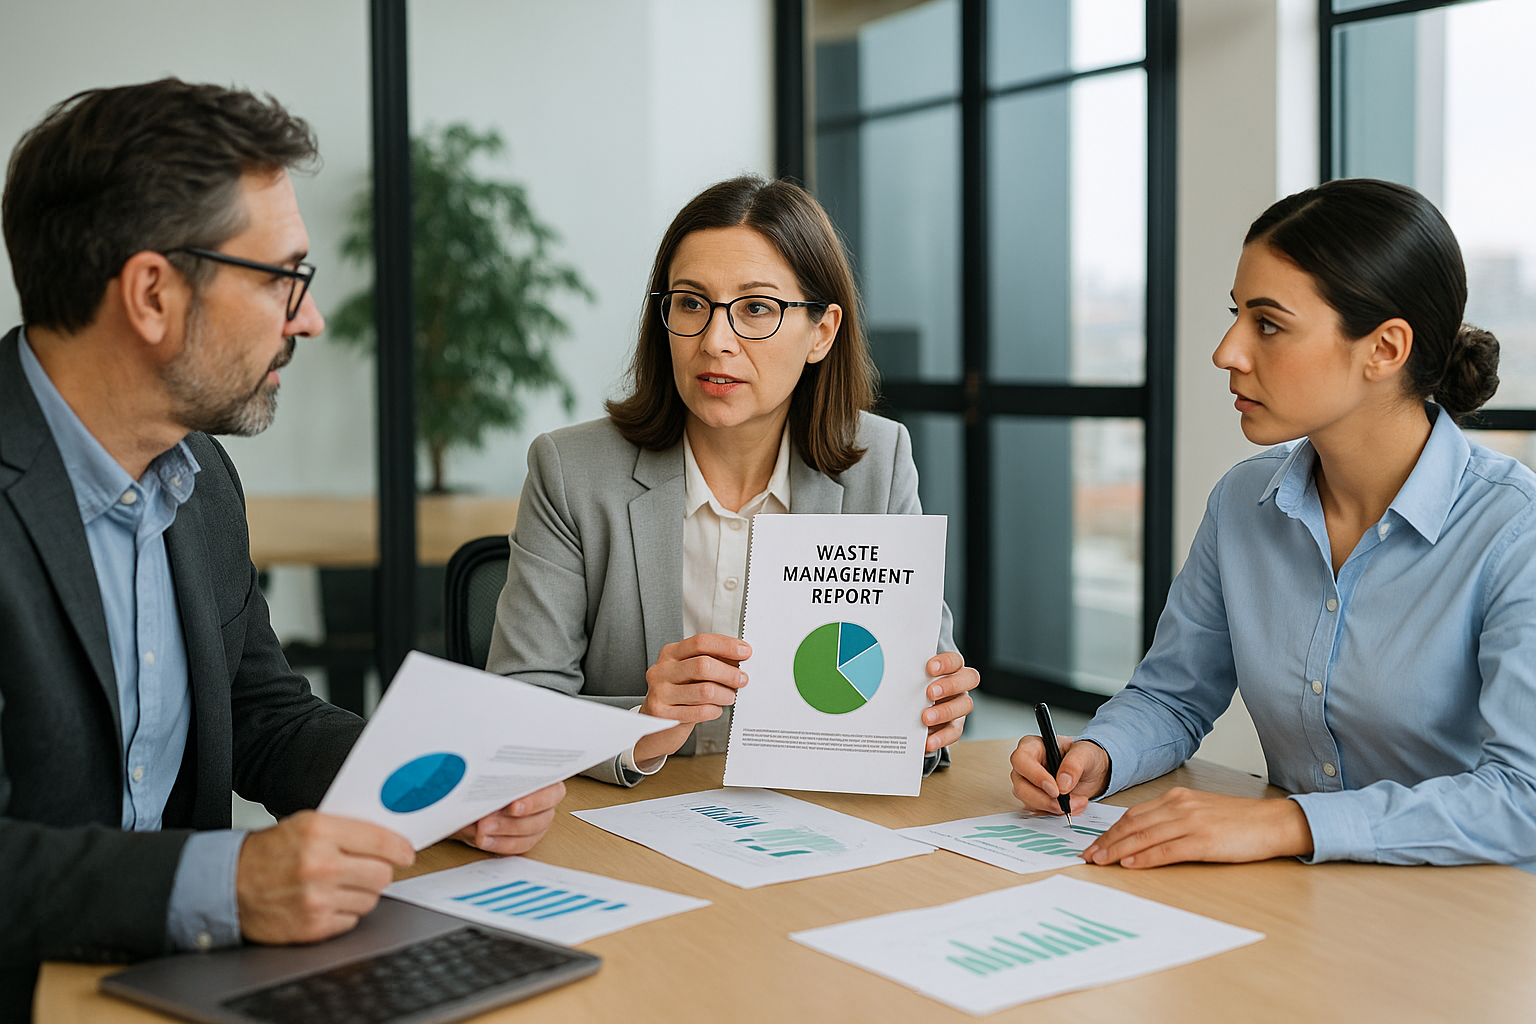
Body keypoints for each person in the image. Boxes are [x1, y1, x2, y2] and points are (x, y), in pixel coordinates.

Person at [0, 79, 563, 1016]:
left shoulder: (199, 479)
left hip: (179, 984)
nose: (310, 319)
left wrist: (436, 782)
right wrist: (222, 885)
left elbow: (262, 713)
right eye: (283, 278)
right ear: (151, 294)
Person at [1010, 178, 1536, 871]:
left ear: (1384, 349)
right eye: (1236, 315)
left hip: (1463, 931)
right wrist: (1097, 758)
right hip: (1299, 908)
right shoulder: (1243, 503)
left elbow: (1522, 801)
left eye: (1268, 323)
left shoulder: (1512, 530)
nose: (1227, 352)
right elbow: (1172, 697)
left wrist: (1290, 824)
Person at [486, 175, 978, 785]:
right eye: (691, 303)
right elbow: (519, 709)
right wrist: (641, 723)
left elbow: (916, 700)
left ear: (821, 332)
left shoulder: (879, 460)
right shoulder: (571, 471)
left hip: (809, 826)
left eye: (756, 309)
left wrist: (926, 720)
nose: (716, 342)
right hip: (624, 828)